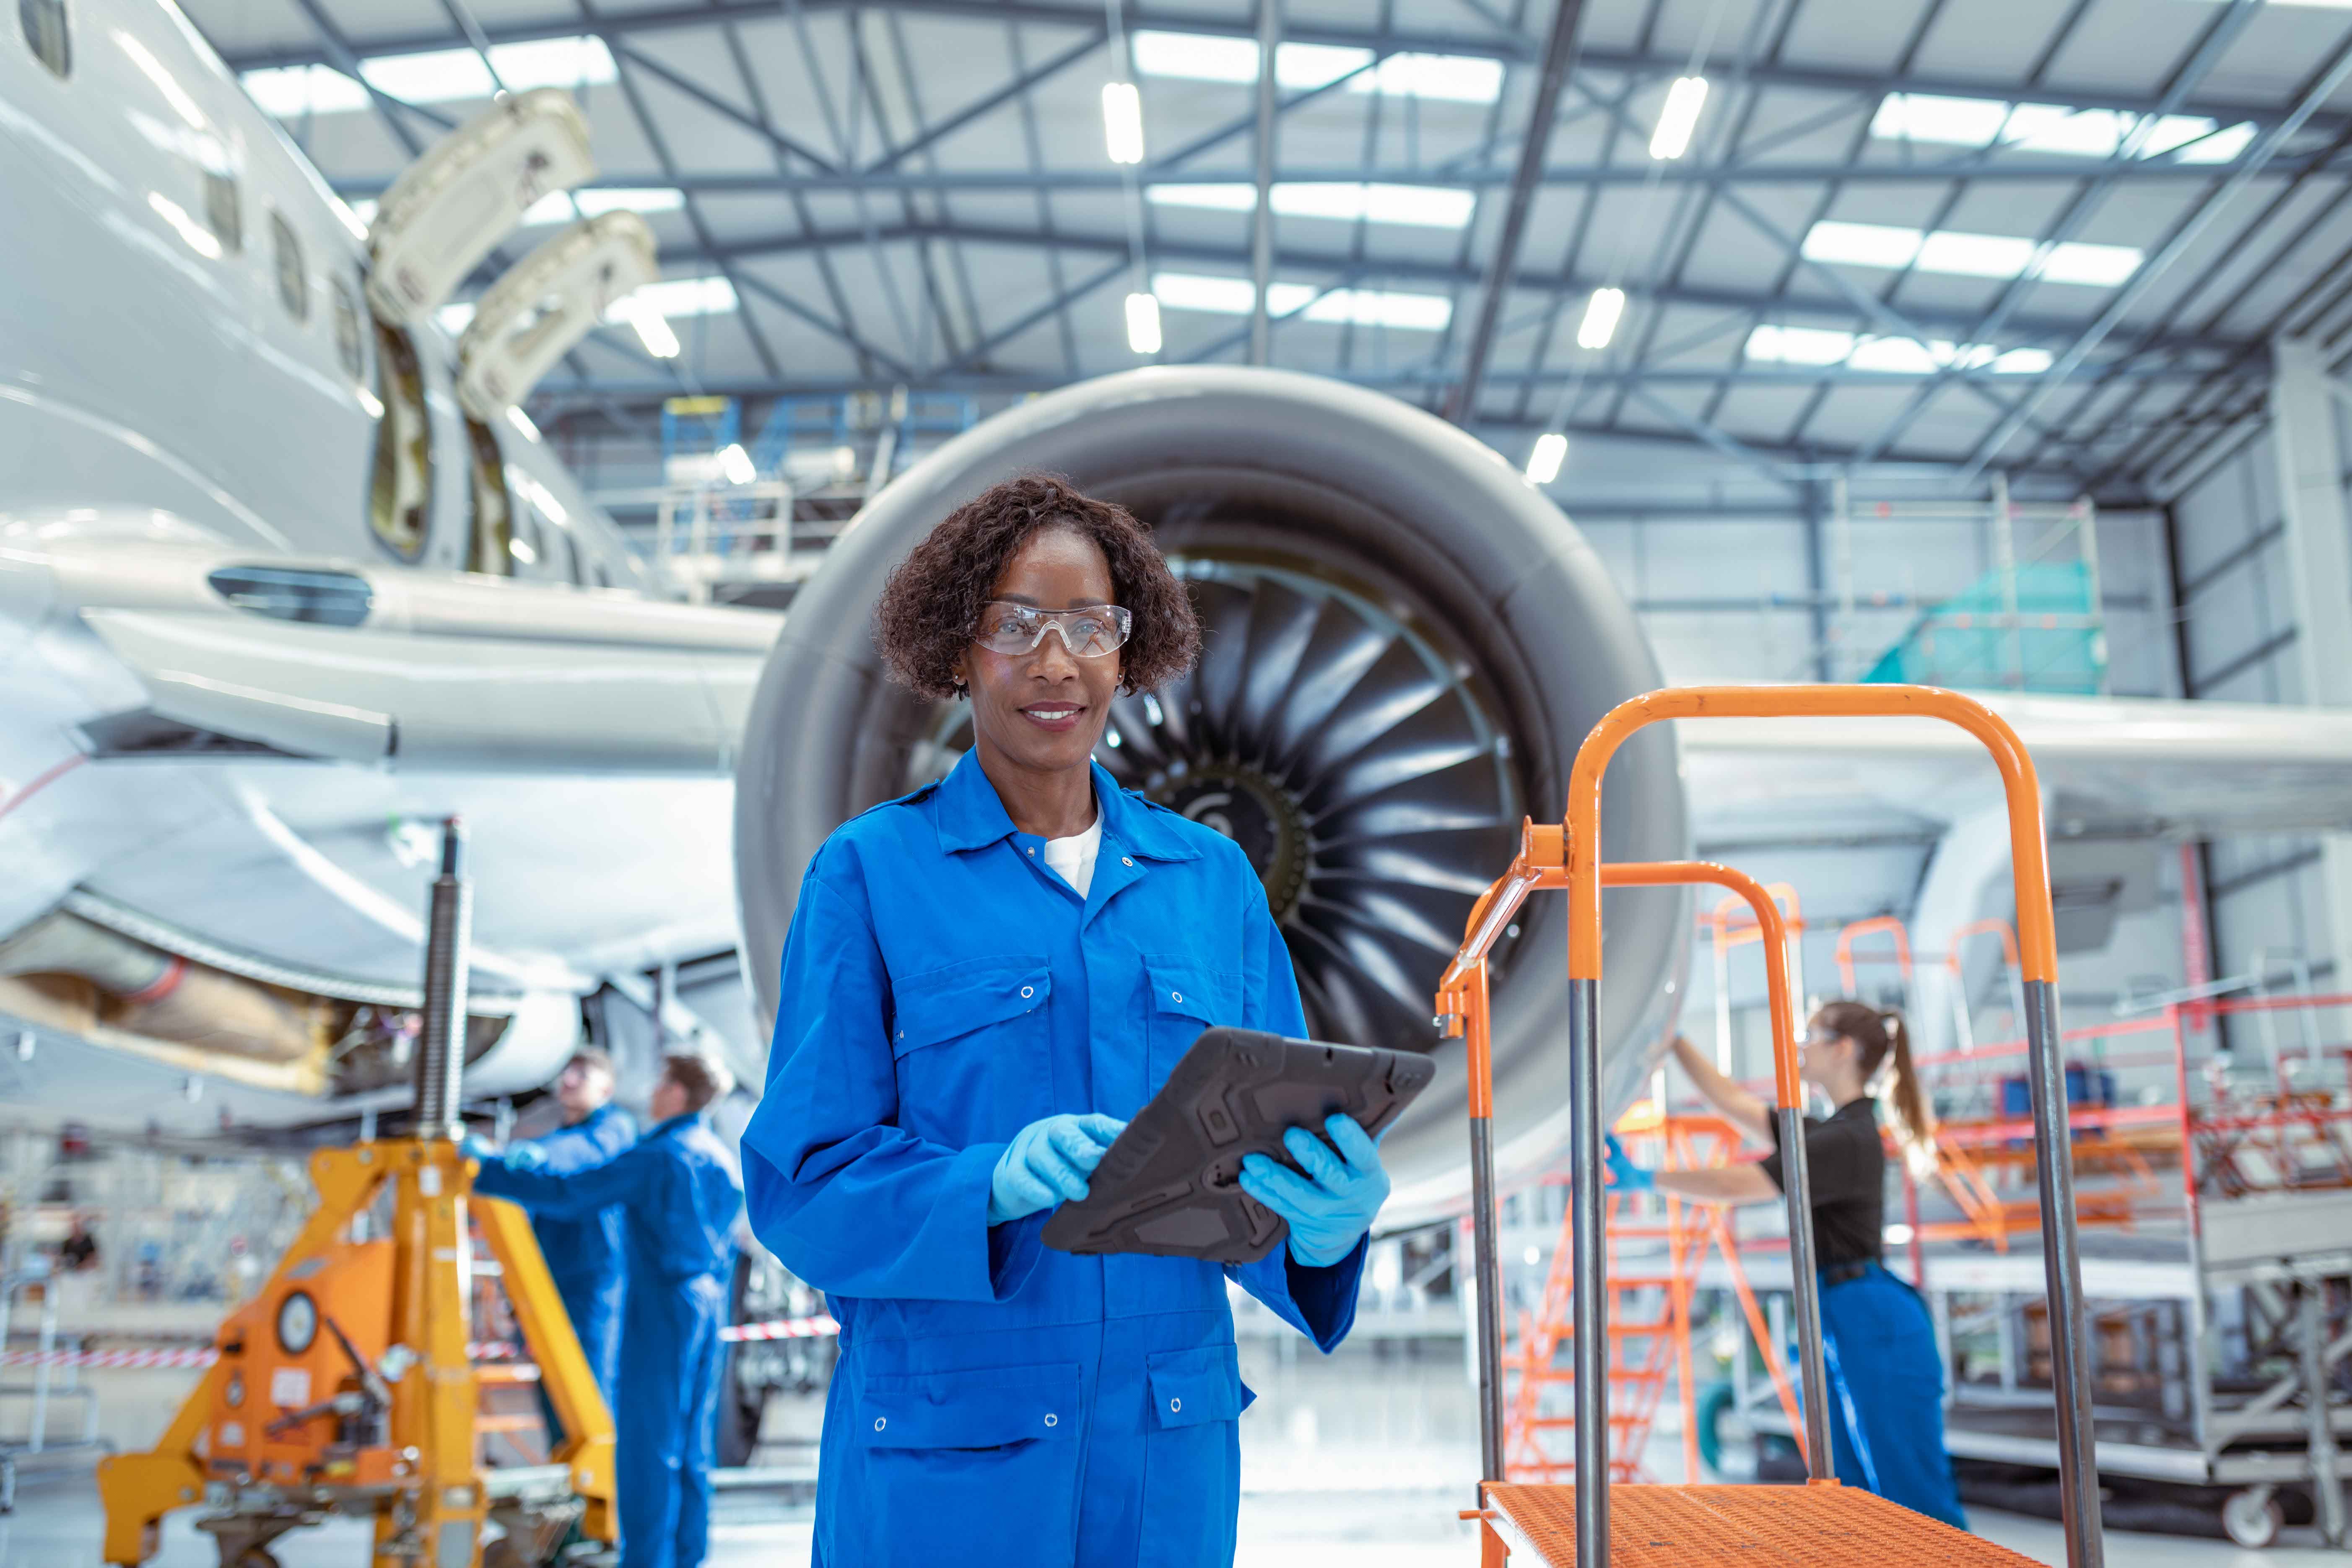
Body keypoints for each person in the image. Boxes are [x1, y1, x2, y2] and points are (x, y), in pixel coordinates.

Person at [740, 475, 1394, 1568]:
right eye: (1015, 625)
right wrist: (983, 1185)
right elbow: (801, 1187)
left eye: (1090, 626)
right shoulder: (869, 875)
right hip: (948, 1473)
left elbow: (1267, 1164)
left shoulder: (1211, 880)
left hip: (1165, 1461)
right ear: (958, 649)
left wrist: (1326, 1229)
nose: (1056, 662)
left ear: (1127, 653)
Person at [1608, 1003, 1964, 1529]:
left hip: (1872, 1314)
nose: (1798, 1044)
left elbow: (1737, 1185)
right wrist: (1674, 1040)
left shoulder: (1845, 1139)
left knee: (1911, 1490)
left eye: (1810, 1034)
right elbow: (1735, 1105)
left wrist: (1647, 1179)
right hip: (1840, 1309)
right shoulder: (1832, 1130)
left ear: (1843, 1049)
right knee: (1853, 1492)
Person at [472, 1053, 744, 1568]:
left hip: (663, 1306)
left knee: (648, 1443)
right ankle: (688, 1556)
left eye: (663, 1079)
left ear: (679, 1094)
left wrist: (485, 1169)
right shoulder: (717, 1154)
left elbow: (573, 1193)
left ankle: (644, 1560)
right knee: (692, 1444)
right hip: (710, 1303)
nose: (654, 1089)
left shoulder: (659, 1154)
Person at [514, 1048, 636, 1411]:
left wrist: (540, 1155)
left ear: (606, 1089)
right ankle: (564, 1464)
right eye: (566, 1073)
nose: (568, 1081)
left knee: (589, 1388)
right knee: (555, 1390)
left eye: (582, 1075)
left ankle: (601, 1470)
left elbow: (584, 1151)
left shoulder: (613, 1128)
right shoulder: (559, 1140)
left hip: (594, 1279)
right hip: (552, 1276)